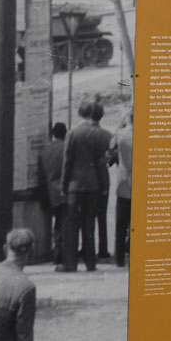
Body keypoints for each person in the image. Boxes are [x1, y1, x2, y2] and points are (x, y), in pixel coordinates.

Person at [61, 101, 107, 273]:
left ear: (79, 113)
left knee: (72, 224)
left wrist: (63, 184)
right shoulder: (96, 133)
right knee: (89, 224)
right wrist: (102, 184)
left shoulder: (72, 133)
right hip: (93, 184)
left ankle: (71, 263)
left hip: (74, 185)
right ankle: (90, 262)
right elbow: (101, 162)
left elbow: (67, 161)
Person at [37, 123, 68, 265]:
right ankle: (62, 253)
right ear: (65, 133)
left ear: (53, 134)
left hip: (50, 192)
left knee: (57, 224)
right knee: (65, 223)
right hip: (65, 190)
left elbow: (41, 176)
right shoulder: (67, 148)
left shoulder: (44, 151)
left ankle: (58, 252)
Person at [90, 103, 114, 261]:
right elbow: (111, 158)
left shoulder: (83, 133)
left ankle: (88, 248)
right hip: (103, 178)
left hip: (88, 180)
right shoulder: (107, 135)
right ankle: (103, 249)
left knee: (88, 216)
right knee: (102, 217)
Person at [109, 112, 132, 267]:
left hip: (124, 184)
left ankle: (119, 258)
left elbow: (110, 150)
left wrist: (120, 124)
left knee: (120, 224)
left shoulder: (120, 134)